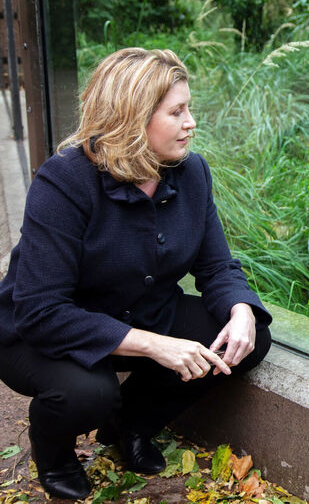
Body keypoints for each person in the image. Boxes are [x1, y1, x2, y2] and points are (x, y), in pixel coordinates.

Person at [0, 48, 272, 500]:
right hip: (42, 334)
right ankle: (52, 450)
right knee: (89, 392)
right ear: (132, 118)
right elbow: (41, 310)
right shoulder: (64, 182)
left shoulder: (192, 173)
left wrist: (241, 309)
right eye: (177, 111)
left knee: (249, 339)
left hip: (141, 314)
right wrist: (155, 345)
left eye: (190, 108)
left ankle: (131, 425)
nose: (192, 122)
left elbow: (216, 265)